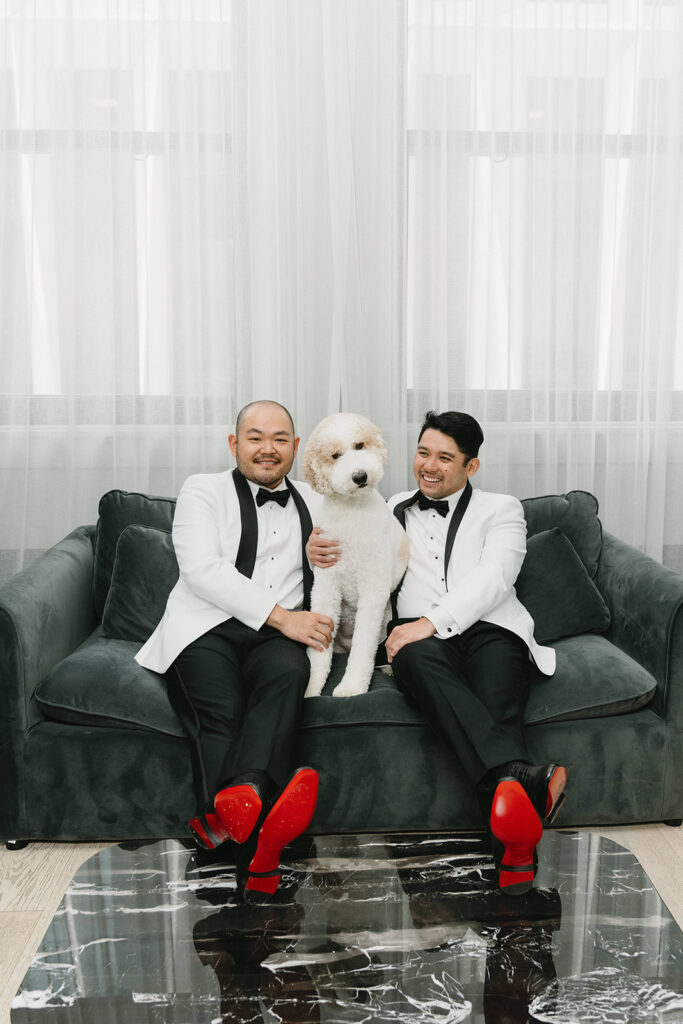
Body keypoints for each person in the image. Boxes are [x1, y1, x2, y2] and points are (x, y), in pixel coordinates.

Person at [309, 410, 566, 895]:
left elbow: (497, 578)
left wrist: (434, 621)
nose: (429, 465)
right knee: (409, 653)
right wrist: (314, 549)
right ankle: (522, 788)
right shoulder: (386, 505)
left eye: (445, 458)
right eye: (423, 453)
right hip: (416, 640)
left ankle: (512, 851)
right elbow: (345, 540)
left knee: (496, 705)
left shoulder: (503, 508)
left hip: (490, 627)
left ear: (471, 466)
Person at [136, 400, 334, 900]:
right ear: (234, 444)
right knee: (221, 711)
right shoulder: (201, 490)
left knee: (287, 678)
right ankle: (260, 841)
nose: (268, 448)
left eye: (280, 439)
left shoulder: (318, 499)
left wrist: (334, 559)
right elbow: (203, 570)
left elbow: (357, 553)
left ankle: (234, 813)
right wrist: (286, 617)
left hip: (276, 638)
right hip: (205, 626)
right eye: (255, 437)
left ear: (294, 446)